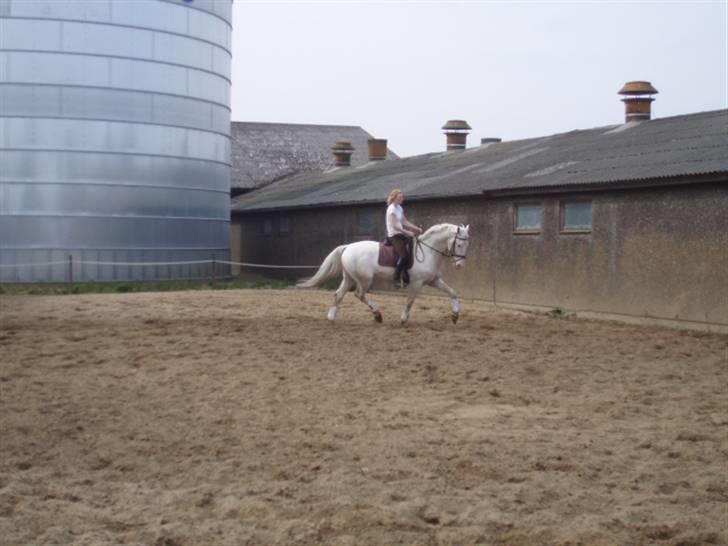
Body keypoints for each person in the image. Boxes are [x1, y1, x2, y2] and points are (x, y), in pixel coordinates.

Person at [385, 189, 423, 287]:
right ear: (394, 198)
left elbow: (405, 222)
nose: (402, 199)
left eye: (402, 197)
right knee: (403, 255)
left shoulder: (400, 208)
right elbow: (394, 225)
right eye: (400, 197)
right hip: (394, 236)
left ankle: (406, 275)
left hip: (401, 234)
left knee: (412, 249)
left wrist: (416, 228)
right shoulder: (391, 208)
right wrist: (407, 232)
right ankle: (396, 279)